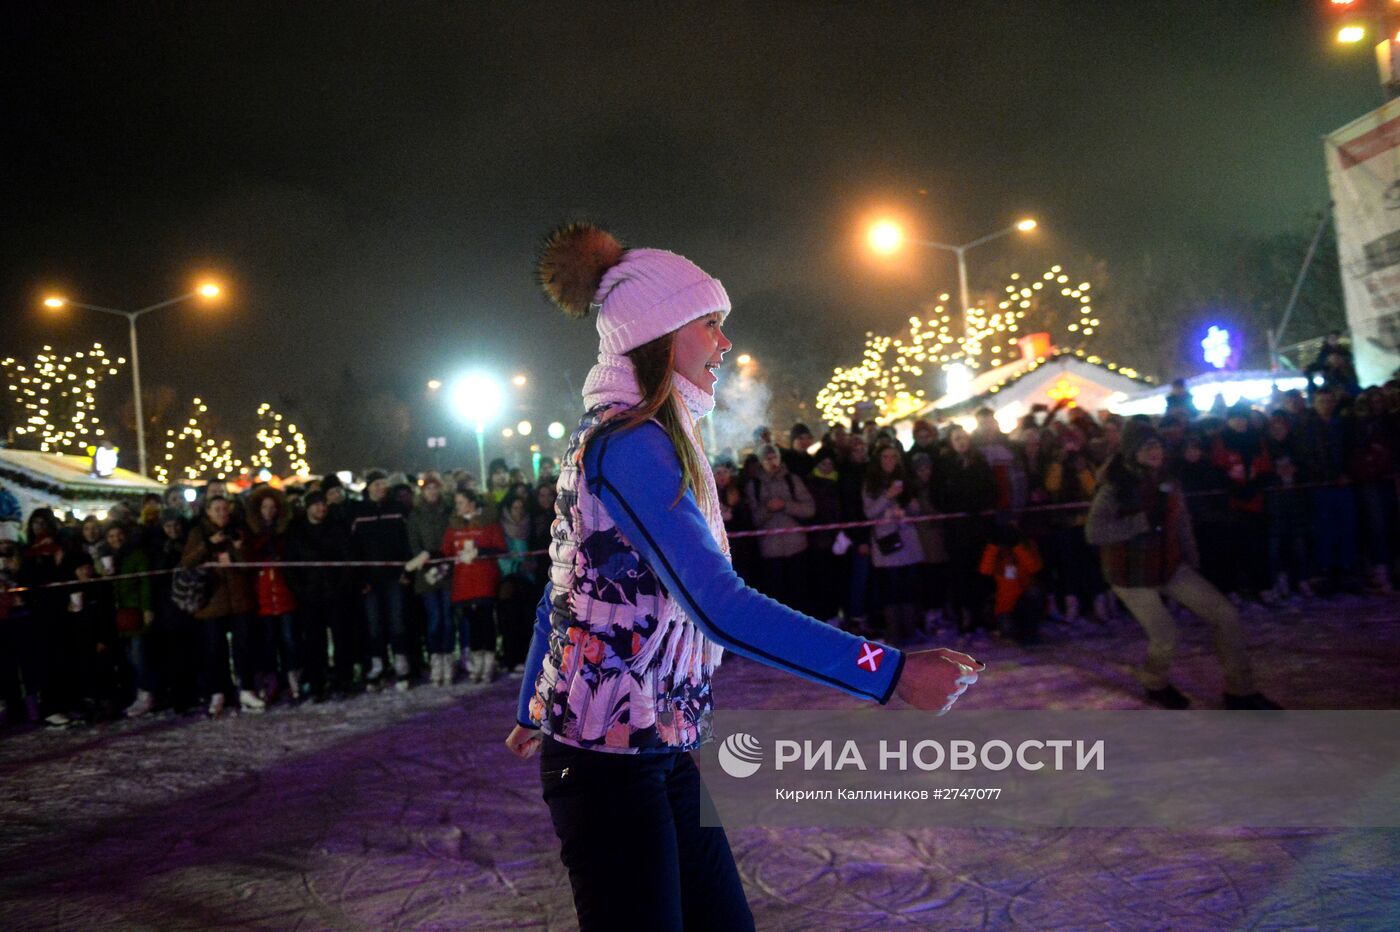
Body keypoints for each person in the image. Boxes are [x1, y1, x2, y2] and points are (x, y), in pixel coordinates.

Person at [507, 223, 982, 931]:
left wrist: (530, 703)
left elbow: (565, 581)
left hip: (657, 743)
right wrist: (886, 672)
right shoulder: (630, 444)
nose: (724, 344)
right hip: (607, 763)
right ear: (661, 334)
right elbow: (720, 607)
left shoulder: (647, 435)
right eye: (711, 325)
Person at [1085, 421, 1280, 711]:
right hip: (1131, 574)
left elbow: (1182, 522)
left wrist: (1192, 560)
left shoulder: (1169, 479)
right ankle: (1154, 682)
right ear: (1131, 451)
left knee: (1225, 616)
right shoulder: (1116, 486)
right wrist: (1138, 523)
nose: (1154, 451)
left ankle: (1241, 691)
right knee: (1165, 635)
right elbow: (1094, 532)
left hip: (1170, 565)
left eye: (1157, 445)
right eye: (1146, 446)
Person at [181, 496, 255, 716]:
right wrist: (208, 544)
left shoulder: (238, 531)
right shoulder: (198, 533)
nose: (222, 513)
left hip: (239, 600)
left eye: (225, 509)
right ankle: (218, 692)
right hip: (211, 601)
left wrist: (239, 549)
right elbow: (187, 563)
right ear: (208, 512)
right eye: (217, 509)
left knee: (243, 647)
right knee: (215, 650)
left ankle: (247, 689)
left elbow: (248, 566)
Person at [286, 491, 357, 697]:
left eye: (323, 504)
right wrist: (300, 590)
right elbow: (290, 565)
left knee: (341, 638)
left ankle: (343, 679)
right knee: (314, 641)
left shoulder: (336, 528)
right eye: (316, 505)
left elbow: (348, 559)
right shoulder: (298, 532)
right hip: (310, 595)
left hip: (335, 593)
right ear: (308, 507)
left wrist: (342, 585)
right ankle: (317, 681)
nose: (321, 508)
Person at [348, 469, 413, 688]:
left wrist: (406, 570)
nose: (380, 488)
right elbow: (353, 548)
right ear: (368, 487)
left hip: (394, 576)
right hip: (370, 579)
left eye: (383, 484)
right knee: (374, 625)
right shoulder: (358, 512)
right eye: (376, 484)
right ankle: (377, 664)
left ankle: (401, 664)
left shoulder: (397, 510)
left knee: (398, 622)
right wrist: (360, 578)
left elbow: (407, 542)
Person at [442, 490, 506, 684]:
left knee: (486, 621)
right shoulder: (453, 527)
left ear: (471, 502)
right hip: (463, 583)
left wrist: (480, 551)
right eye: (457, 503)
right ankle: (477, 660)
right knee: (471, 623)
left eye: (461, 502)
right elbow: (446, 551)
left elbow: (501, 548)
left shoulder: (488, 523)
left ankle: (489, 661)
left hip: (484, 580)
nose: (458, 506)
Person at [863, 442, 924, 643]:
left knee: (909, 587)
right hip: (887, 543)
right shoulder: (870, 484)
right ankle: (894, 632)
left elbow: (917, 508)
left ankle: (910, 630)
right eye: (885, 457)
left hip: (907, 539)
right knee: (890, 589)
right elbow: (870, 512)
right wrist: (887, 497)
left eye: (893, 457)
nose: (889, 461)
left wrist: (905, 507)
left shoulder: (906, 480)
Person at [244, 486, 299, 701]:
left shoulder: (285, 533)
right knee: (268, 642)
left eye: (272, 507)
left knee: (290, 639)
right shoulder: (251, 535)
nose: (269, 511)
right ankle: (271, 680)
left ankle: (293, 676)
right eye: (265, 507)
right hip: (263, 597)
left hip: (285, 595)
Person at [746, 442, 816, 612]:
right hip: (770, 550)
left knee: (799, 594)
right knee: (775, 597)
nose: (772, 461)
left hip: (796, 547)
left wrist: (785, 505)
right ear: (761, 462)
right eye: (767, 458)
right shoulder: (754, 486)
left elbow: (809, 509)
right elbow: (752, 520)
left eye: (774, 457)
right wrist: (768, 510)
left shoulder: (792, 480)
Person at [405, 476, 455, 687]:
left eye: (436, 488)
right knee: (434, 619)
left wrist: (445, 557)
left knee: (447, 618)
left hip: (447, 572)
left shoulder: (448, 511)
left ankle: (448, 659)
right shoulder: (415, 515)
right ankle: (436, 659)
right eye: (429, 489)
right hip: (426, 574)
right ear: (423, 492)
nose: (432, 492)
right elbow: (413, 542)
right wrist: (425, 558)